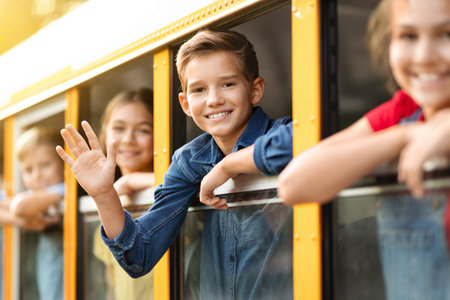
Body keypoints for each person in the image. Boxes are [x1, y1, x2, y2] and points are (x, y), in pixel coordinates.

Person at [57, 29, 293, 299]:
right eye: (199, 89)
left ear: (255, 90)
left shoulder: (279, 132)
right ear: (185, 104)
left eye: (228, 84)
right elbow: (140, 255)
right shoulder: (189, 161)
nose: (213, 99)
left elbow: (301, 140)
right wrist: (103, 194)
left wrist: (227, 167)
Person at [277, 0, 450, 299]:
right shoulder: (404, 112)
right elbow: (294, 184)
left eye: (447, 34)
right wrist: (406, 135)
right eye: (408, 35)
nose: (425, 56)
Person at [92, 88, 154, 300]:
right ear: (104, 133)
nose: (128, 139)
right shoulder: (106, 205)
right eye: (119, 128)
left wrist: (130, 180)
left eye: (144, 130)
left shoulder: (171, 196)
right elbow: (112, 289)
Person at [10, 127, 65, 300]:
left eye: (45, 165)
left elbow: (19, 207)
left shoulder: (61, 189)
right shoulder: (42, 195)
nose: (37, 176)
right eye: (28, 170)